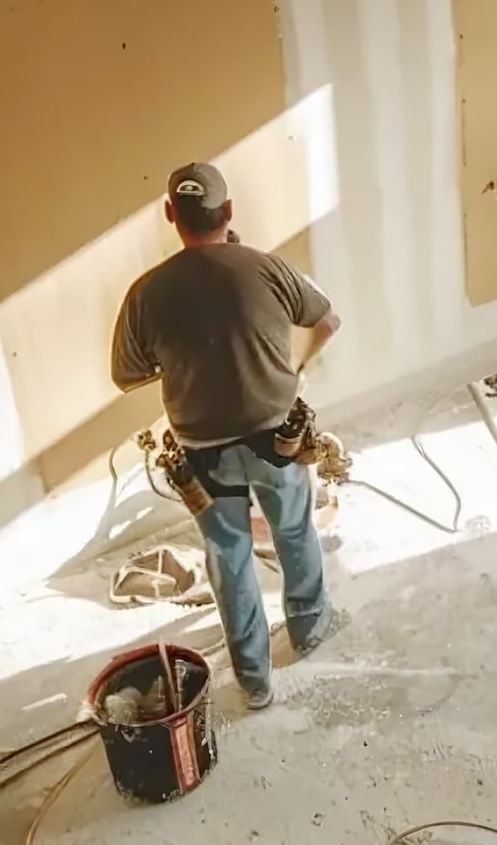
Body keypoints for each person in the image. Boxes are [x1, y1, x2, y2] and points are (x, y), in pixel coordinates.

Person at [110, 162, 344, 709]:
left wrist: (182, 361)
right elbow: (328, 320)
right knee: (293, 533)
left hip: (202, 452)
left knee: (229, 556)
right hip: (276, 436)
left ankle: (254, 681)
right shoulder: (266, 268)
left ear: (171, 214)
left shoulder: (147, 294)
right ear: (229, 211)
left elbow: (127, 375)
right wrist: (294, 371)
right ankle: (309, 632)